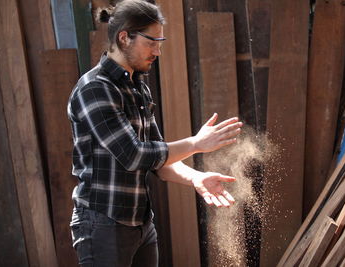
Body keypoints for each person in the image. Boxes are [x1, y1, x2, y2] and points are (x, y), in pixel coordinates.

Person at [67, 0, 243, 266]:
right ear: (124, 38)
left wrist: (196, 178)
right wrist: (196, 143)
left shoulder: (138, 88)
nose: (158, 51)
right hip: (103, 223)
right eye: (151, 42)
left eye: (159, 42)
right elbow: (134, 155)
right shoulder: (95, 89)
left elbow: (159, 161)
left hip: (141, 223)